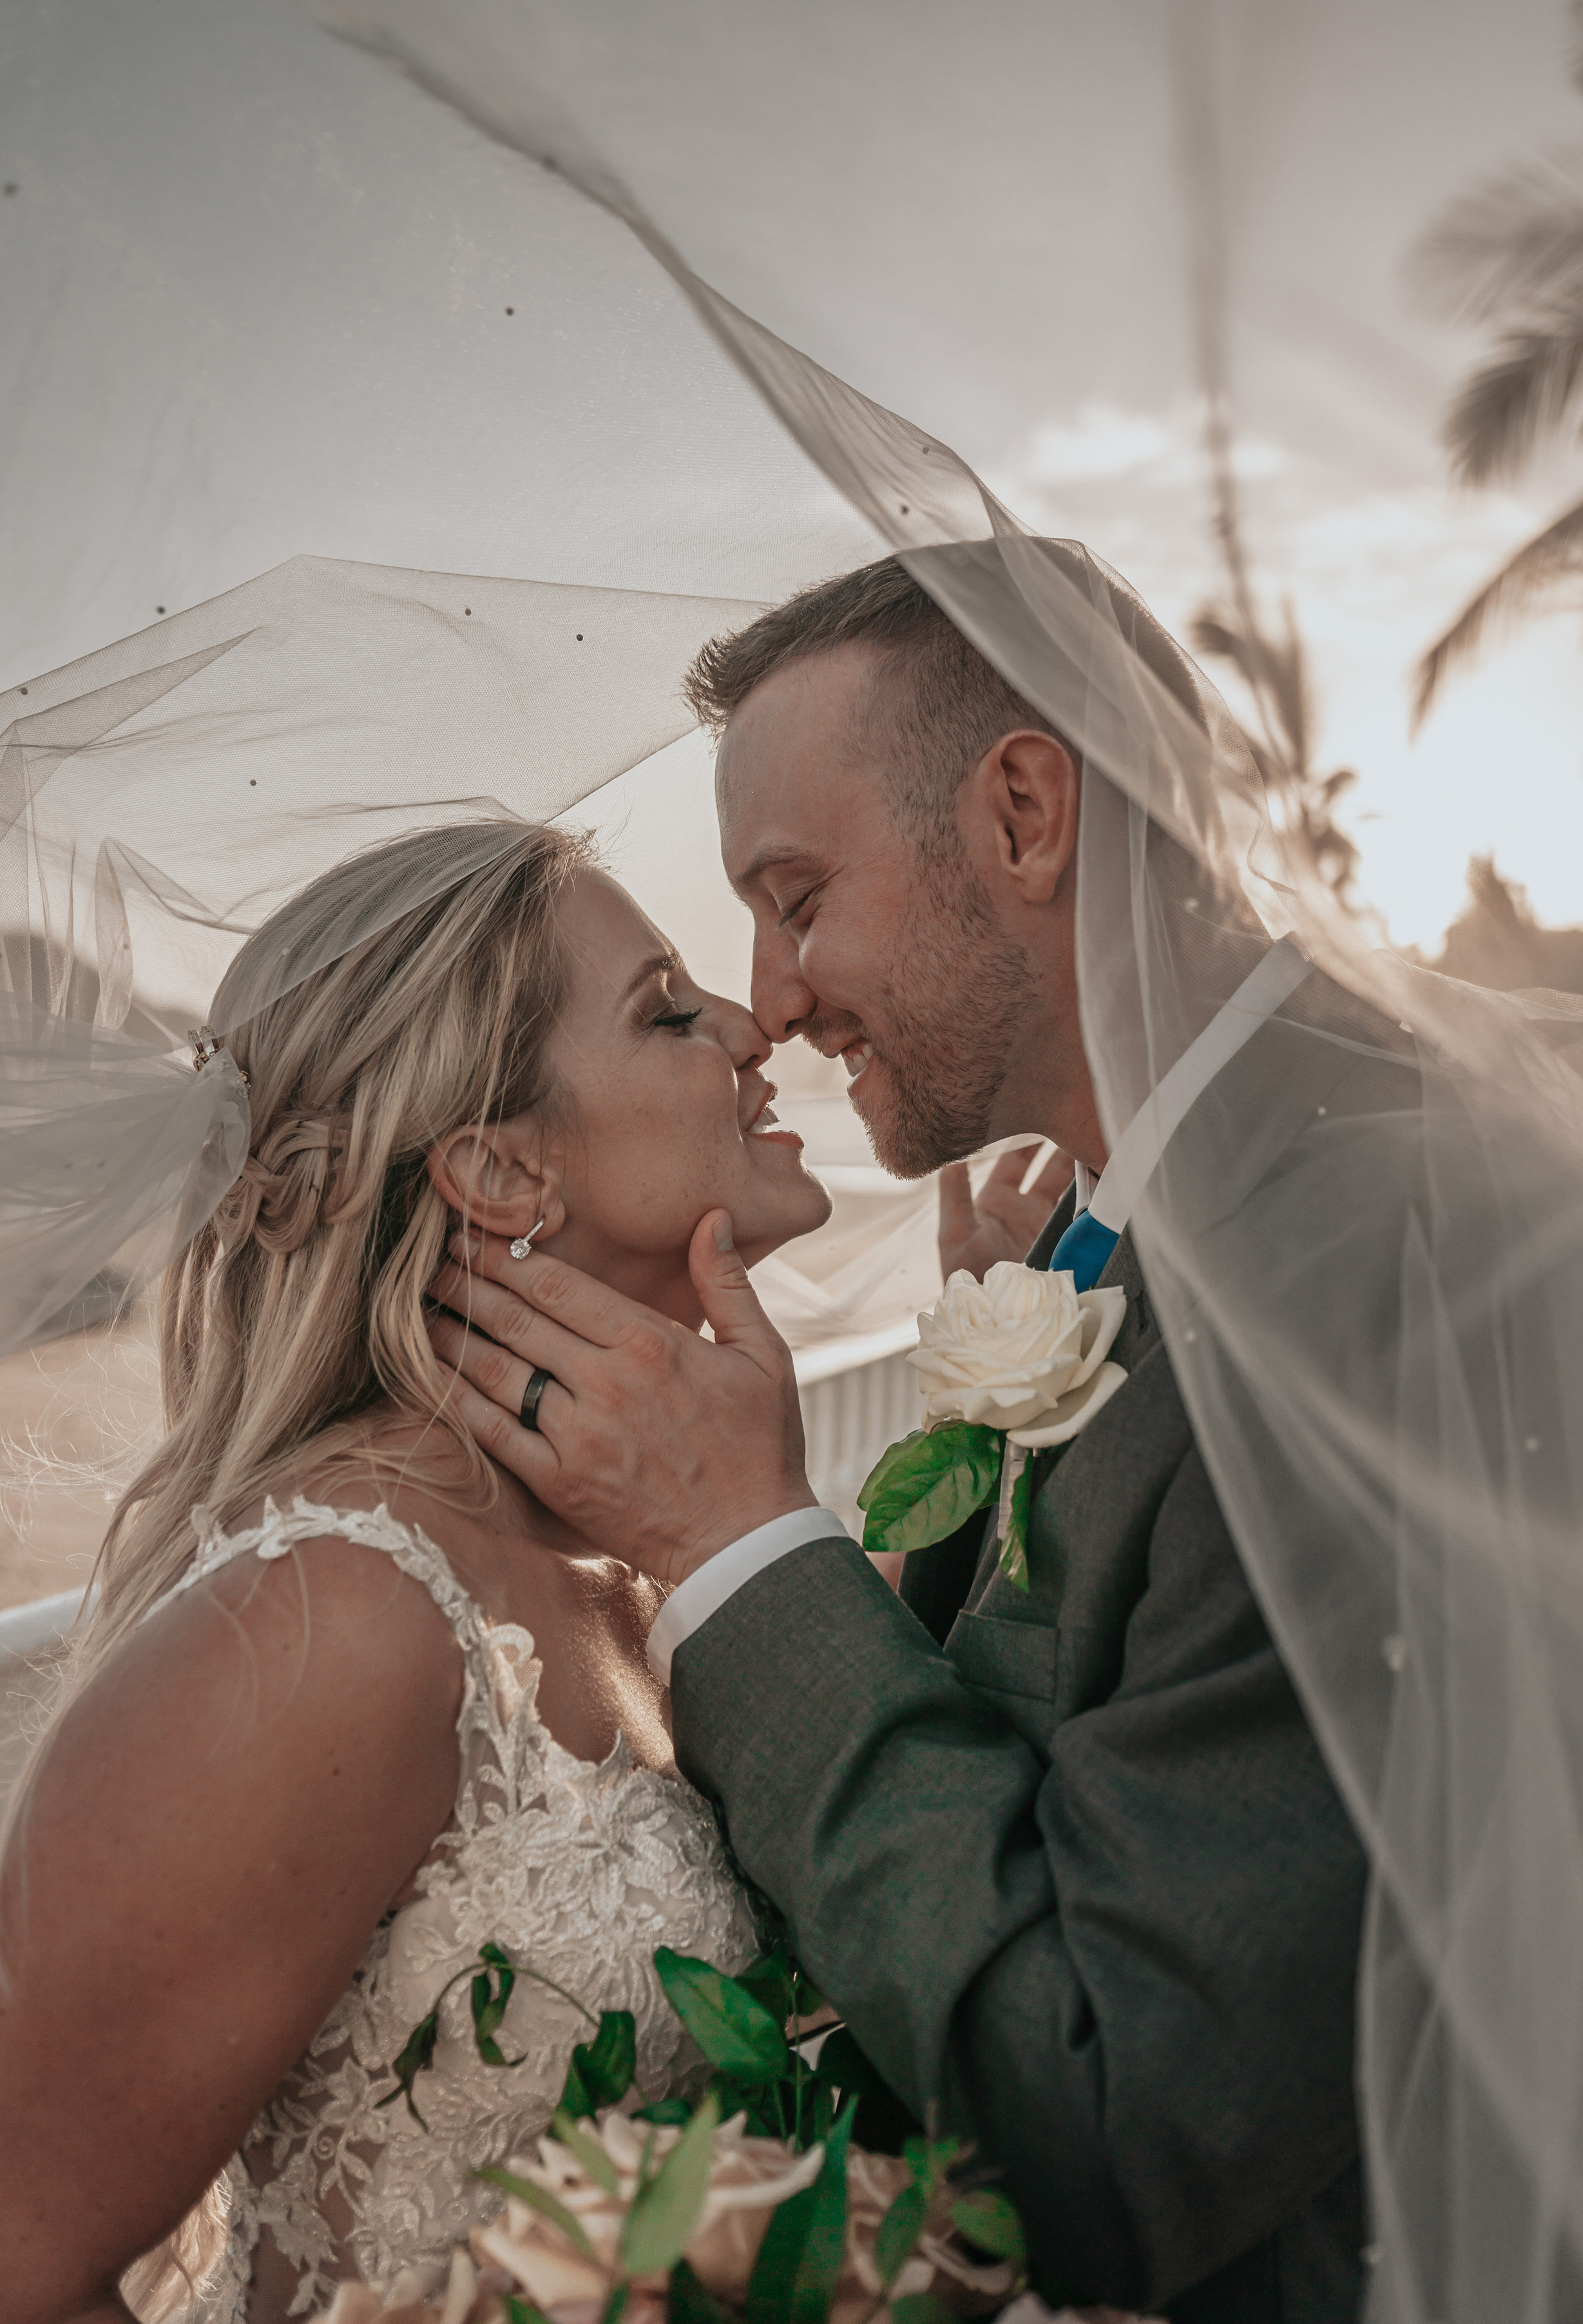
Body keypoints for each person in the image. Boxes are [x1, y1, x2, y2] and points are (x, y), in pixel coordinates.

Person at [430, 555, 1386, 2321]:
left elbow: (1120, 2110)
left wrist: (742, 1542)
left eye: (794, 897)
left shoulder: (1350, 1276)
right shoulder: (1158, 1222)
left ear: (1025, 812)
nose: (767, 1000)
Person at [0, 818, 834, 2324]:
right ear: (499, 1172)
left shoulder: (637, 1546)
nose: (749, 1021)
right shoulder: (332, 1621)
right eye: (665, 1009)